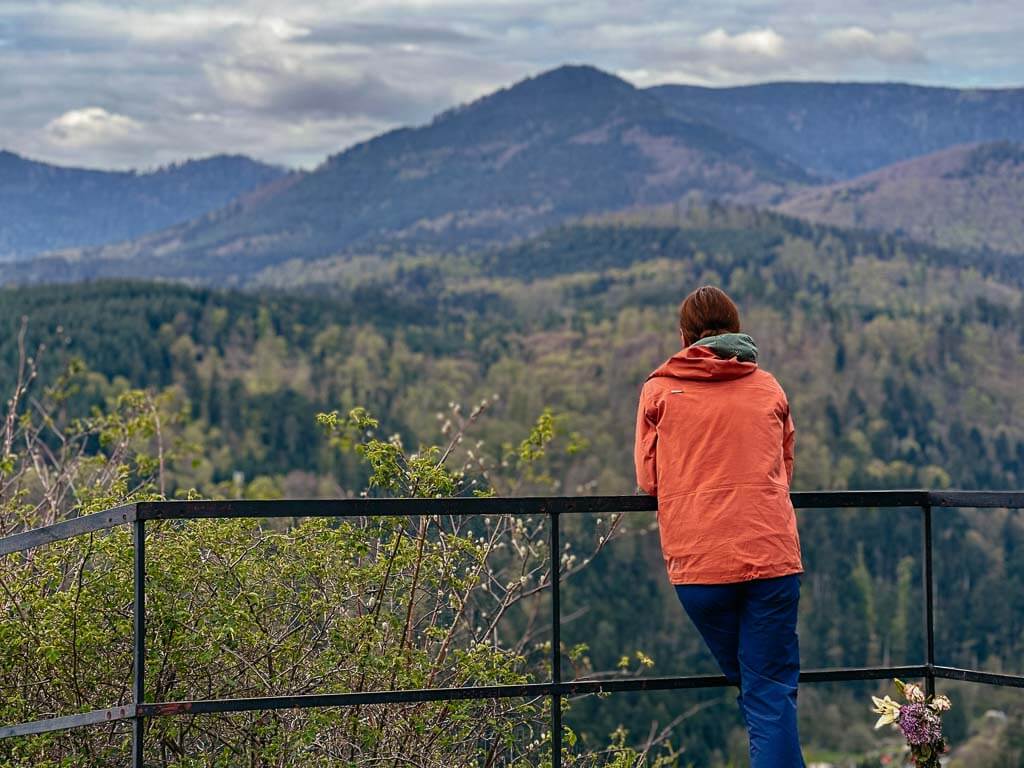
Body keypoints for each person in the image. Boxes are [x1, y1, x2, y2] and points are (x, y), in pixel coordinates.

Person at [633, 285, 805, 767]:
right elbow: (784, 468)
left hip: (701, 564)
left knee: (759, 690)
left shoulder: (658, 390)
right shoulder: (768, 387)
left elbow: (649, 480)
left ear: (684, 336)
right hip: (771, 555)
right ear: (737, 329)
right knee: (768, 692)